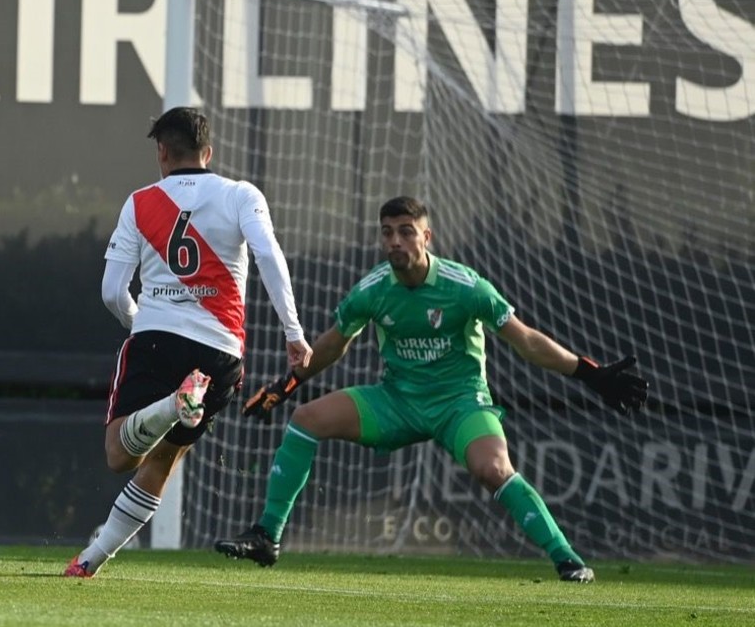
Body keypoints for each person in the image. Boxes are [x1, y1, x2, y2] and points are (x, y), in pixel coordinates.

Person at [214, 196, 648, 583]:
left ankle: (567, 558)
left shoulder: (466, 287)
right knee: (306, 420)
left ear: (427, 236)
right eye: (387, 233)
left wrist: (589, 373)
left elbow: (526, 340)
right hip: (398, 401)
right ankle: (267, 536)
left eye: (406, 232)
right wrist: (284, 386)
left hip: (460, 403)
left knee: (493, 468)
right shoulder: (373, 289)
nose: (395, 242)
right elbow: (331, 346)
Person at [64, 107, 313, 578]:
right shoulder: (241, 195)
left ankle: (170, 406)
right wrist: (293, 333)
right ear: (209, 152)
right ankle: (89, 561)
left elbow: (113, 292)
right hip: (221, 355)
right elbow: (268, 254)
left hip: (158, 338)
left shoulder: (140, 202)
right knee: (165, 457)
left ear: (161, 151)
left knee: (121, 454)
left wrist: (139, 321)